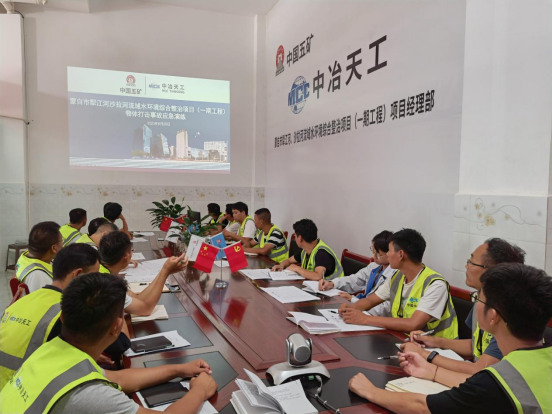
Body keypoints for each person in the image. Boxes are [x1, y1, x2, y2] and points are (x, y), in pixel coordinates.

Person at [348, 263, 552, 414]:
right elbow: (476, 385)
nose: (476, 304)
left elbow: (422, 407)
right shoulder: (530, 361)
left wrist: (370, 391)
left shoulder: (494, 382)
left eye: (479, 298)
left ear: (493, 316)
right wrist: (430, 371)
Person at [0, 273, 218, 413]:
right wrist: (199, 390)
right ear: (116, 327)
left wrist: (180, 369)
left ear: (63, 317)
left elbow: (120, 378)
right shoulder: (88, 394)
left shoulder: (52, 349)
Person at [0, 244, 130, 390]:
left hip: (9, 386)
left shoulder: (26, 300)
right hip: (25, 391)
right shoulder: (69, 311)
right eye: (94, 276)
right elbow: (121, 345)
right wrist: (119, 306)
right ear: (77, 275)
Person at [401, 238, 526, 387]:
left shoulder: (507, 313)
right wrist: (434, 342)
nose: (466, 266)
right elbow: (476, 346)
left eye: (471, 262)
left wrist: (425, 355)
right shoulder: (482, 298)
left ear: (490, 271)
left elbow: (481, 369)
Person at [339, 228, 458, 339]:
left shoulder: (435, 285)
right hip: (403, 340)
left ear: (400, 254)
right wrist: (350, 308)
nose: (387, 255)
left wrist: (365, 319)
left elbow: (413, 324)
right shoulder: (397, 277)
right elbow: (370, 301)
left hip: (437, 348)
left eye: (389, 251)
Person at [99, 231, 187, 317]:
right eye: (131, 250)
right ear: (126, 257)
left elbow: (137, 299)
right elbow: (146, 309)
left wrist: (165, 271)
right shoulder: (108, 284)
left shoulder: (102, 271)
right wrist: (165, 272)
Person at [319, 230, 394, 316]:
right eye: (373, 252)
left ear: (389, 253)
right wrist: (332, 283)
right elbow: (355, 279)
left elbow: (383, 309)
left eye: (378, 254)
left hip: (373, 315)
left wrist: (353, 299)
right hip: (362, 308)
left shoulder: (394, 275)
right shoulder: (374, 267)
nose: (373, 256)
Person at [271, 219, 344, 281]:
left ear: (300, 238)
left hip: (336, 291)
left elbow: (318, 276)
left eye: (295, 236)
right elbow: (289, 261)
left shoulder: (322, 253)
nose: (295, 238)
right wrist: (281, 265)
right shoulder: (305, 250)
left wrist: (297, 268)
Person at [15, 221, 62, 292]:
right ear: (54, 248)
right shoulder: (38, 275)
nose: (63, 244)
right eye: (62, 240)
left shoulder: (26, 257)